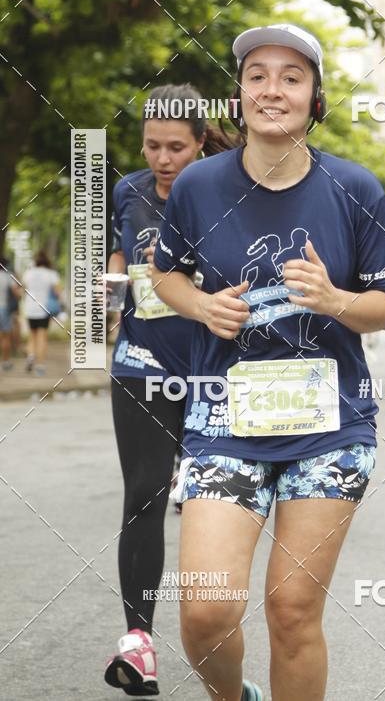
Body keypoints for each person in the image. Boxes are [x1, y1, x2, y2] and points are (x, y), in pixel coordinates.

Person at [152, 23, 385, 701]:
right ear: (238, 96)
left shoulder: (355, 187)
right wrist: (203, 307)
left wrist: (334, 298)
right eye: (257, 74)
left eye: (292, 77)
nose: (272, 88)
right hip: (223, 422)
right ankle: (235, 696)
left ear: (314, 98)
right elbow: (165, 276)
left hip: (330, 429)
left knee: (292, 613)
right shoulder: (199, 185)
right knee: (205, 611)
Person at [104, 85, 235, 698]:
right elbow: (116, 263)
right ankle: (139, 640)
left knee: (216, 504)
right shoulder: (127, 191)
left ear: (200, 143)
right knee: (144, 494)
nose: (162, 158)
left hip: (213, 369)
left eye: (175, 147)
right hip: (142, 364)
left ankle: (219, 651)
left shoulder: (224, 191)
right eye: (152, 145)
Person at [22, 250, 61, 375]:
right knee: (42, 336)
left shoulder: (28, 273)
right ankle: (40, 365)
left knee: (32, 335)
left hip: (29, 308)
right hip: (44, 308)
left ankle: (30, 356)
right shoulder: (51, 274)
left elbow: (23, 289)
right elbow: (58, 292)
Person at [0, 256, 19, 370]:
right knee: (5, 336)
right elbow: (16, 292)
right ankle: (6, 362)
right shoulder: (8, 276)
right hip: (4, 309)